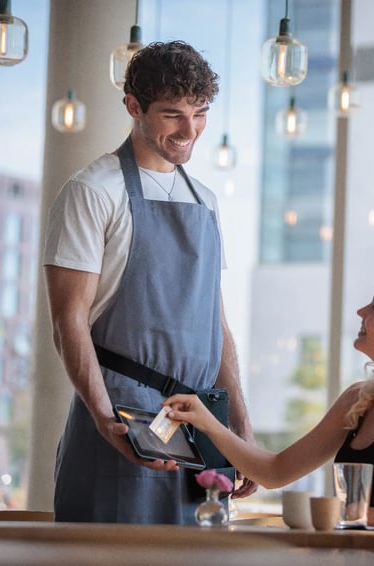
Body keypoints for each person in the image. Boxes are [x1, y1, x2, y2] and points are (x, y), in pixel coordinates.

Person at [43, 40, 255, 524]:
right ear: (133, 107)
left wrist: (240, 423)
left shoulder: (205, 200)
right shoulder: (92, 191)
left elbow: (214, 323)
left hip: (203, 426)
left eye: (200, 113)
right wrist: (103, 417)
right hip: (125, 420)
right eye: (172, 114)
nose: (190, 131)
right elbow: (68, 320)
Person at [165, 270, 374, 529]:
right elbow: (275, 471)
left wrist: (348, 512)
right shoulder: (360, 399)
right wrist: (206, 422)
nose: (360, 311)